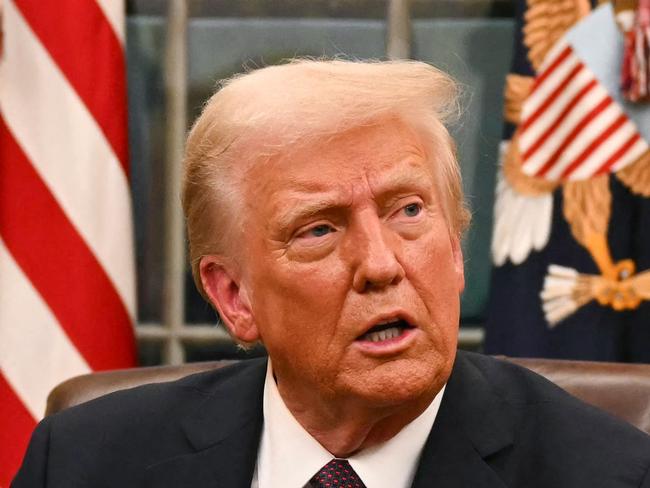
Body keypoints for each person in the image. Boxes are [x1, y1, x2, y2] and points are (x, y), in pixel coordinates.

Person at [12, 59, 650, 487]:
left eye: (408, 211)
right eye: (319, 229)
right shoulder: (82, 466)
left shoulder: (610, 475)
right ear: (234, 296)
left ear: (455, 250)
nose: (380, 264)